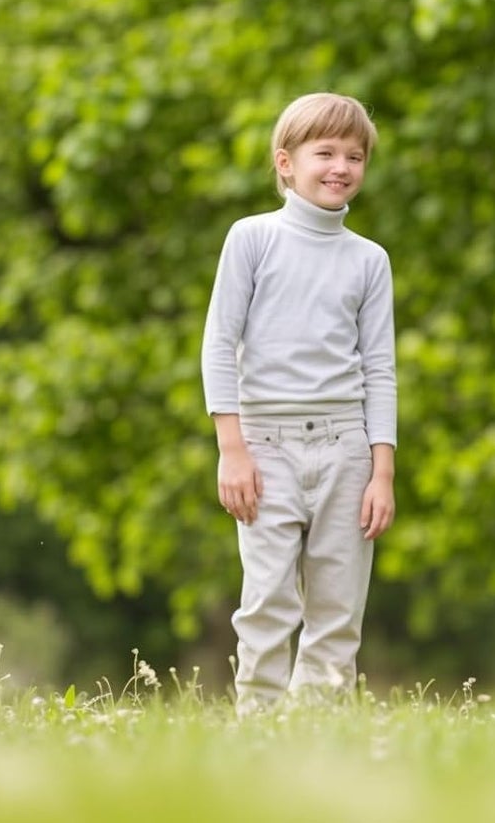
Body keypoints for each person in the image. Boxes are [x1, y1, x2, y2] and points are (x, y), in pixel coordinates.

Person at [201, 92, 396, 713]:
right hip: (265, 446)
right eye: (326, 153)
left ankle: (317, 732)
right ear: (286, 164)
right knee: (268, 600)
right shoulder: (252, 239)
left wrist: (382, 472)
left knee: (338, 607)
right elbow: (219, 345)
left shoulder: (370, 260)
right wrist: (232, 450)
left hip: (346, 449)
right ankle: (256, 723)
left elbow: (380, 369)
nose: (341, 167)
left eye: (355, 156)